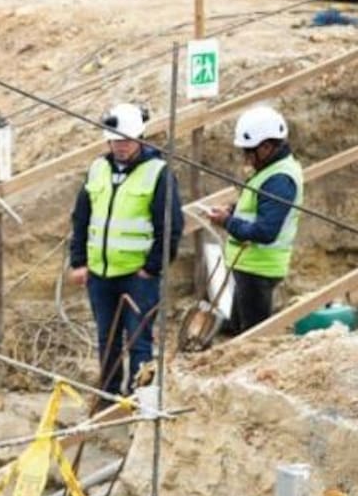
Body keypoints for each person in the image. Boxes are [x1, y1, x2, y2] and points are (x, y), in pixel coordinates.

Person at [68, 102, 183, 396]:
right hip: (100, 275)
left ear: (140, 138)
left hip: (138, 276)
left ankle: (138, 400)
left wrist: (151, 268)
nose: (120, 146)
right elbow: (81, 217)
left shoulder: (158, 173)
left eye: (126, 141)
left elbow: (170, 227)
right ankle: (108, 398)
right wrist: (78, 261)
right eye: (115, 141)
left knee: (138, 340)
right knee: (107, 340)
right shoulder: (98, 169)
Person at [205, 105, 303, 333]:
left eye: (249, 151)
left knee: (253, 337)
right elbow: (256, 206)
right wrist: (232, 210)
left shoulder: (280, 178)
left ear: (267, 146)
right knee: (236, 328)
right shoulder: (271, 170)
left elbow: (265, 232)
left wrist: (227, 222)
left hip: (259, 269)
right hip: (249, 266)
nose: (246, 158)